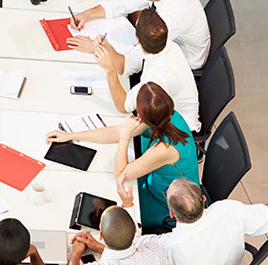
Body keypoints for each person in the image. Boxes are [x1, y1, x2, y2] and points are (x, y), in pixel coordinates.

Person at [47, 82, 199, 229]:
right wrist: (70, 135)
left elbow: (120, 175)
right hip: (153, 182)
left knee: (111, 217)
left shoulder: (166, 149)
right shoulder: (165, 113)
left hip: (166, 204)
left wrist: (126, 136)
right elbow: (116, 132)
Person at [143, 178, 268, 265]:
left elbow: (136, 247)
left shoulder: (168, 246)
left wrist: (128, 204)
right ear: (203, 198)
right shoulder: (228, 210)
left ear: (171, 213)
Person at [71, 0, 210, 69]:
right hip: (166, 41)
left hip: (184, 58)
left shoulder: (173, 16)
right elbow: (129, 2)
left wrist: (96, 47)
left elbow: (139, 56)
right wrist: (88, 13)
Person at [88, 8, 200, 132]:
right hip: (167, 114)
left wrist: (109, 71)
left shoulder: (157, 77)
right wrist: (108, 48)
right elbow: (125, 66)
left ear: (137, 39)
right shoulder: (161, 43)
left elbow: (122, 106)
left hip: (181, 130)